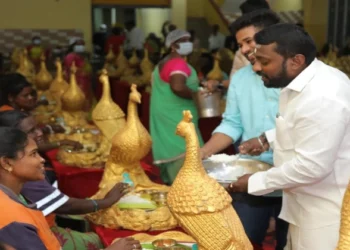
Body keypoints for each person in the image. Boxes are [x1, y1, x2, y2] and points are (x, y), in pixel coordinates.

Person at [230, 23, 350, 250]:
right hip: (302, 203)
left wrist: (254, 182)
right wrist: (266, 140)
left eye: (265, 62)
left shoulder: (324, 95)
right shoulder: (302, 79)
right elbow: (305, 126)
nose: (257, 68)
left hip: (324, 213)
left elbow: (311, 167)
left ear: (296, 61)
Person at [200, 10, 288, 250]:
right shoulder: (240, 79)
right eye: (241, 45)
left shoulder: (292, 74)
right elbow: (232, 123)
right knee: (244, 239)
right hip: (251, 175)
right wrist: (203, 152)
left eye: (249, 41)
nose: (246, 49)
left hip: (294, 176)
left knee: (290, 242)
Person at [0, 111, 140, 250]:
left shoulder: (13, 195)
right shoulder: (13, 220)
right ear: (6, 163)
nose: (41, 159)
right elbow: (65, 207)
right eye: (33, 154)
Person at [150, 29, 204, 185]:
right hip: (177, 117)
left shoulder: (165, 62)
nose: (188, 43)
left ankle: (174, 191)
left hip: (166, 115)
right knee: (186, 157)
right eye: (183, 40)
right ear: (172, 46)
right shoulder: (177, 63)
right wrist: (197, 95)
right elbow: (178, 87)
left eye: (189, 40)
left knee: (176, 158)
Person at [64, 37, 93, 111]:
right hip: (77, 81)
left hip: (85, 81)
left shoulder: (82, 56)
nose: (81, 47)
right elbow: (71, 69)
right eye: (78, 45)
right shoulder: (70, 56)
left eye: (82, 45)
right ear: (73, 46)